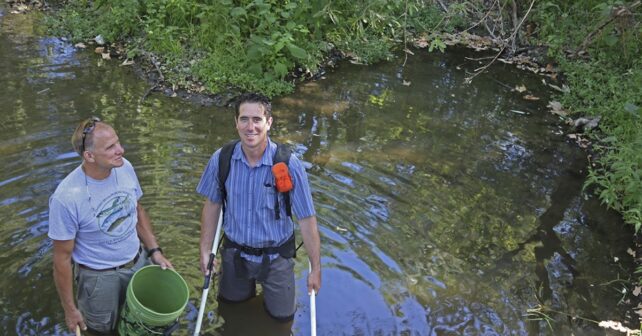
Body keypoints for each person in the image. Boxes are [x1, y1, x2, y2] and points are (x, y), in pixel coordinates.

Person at [197, 93, 321, 322]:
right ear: (236, 123)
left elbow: (306, 218)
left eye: (257, 119)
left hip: (277, 258)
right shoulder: (221, 159)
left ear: (269, 123)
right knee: (230, 310)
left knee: (282, 319)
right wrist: (205, 250)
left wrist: (315, 268)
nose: (250, 127)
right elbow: (212, 205)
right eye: (244, 119)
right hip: (235, 253)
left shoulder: (288, 164)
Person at [48, 117, 173, 334]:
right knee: (101, 331)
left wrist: (155, 251)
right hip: (98, 278)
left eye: (118, 142)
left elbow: (137, 210)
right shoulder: (66, 197)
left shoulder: (125, 168)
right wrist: (70, 309)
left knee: (143, 325)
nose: (121, 150)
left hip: (137, 262)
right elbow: (61, 258)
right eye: (111, 147)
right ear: (89, 156)